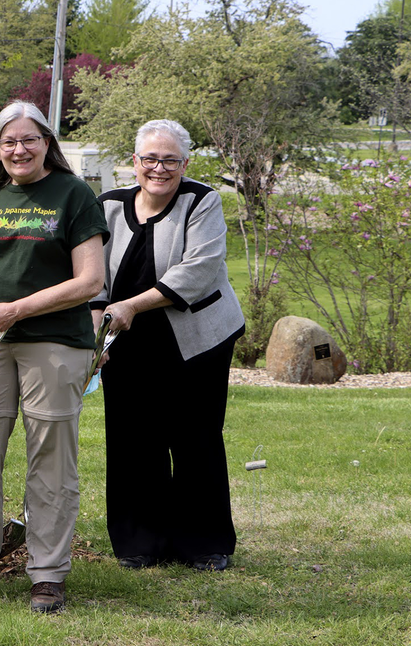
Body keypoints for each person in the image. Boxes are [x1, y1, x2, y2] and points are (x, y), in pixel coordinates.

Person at [0, 101, 107, 614]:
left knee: (50, 460)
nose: (19, 149)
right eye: (8, 141)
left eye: (29, 139)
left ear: (47, 143)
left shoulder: (73, 194)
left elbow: (90, 281)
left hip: (55, 342)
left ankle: (47, 575)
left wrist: (18, 309)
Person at [92, 119, 244, 572]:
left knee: (196, 438)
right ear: (135, 161)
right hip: (126, 341)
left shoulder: (201, 200)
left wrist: (132, 305)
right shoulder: (109, 205)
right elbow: (92, 275)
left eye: (170, 160)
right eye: (150, 159)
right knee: (132, 440)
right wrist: (95, 335)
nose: (159, 168)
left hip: (197, 340)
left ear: (185, 163)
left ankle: (203, 544)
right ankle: (140, 543)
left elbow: (198, 269)